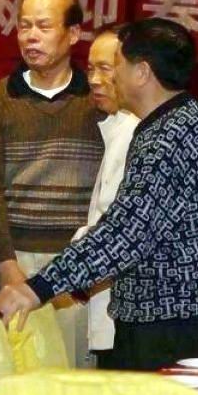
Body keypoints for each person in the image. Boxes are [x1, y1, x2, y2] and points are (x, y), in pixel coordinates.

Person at [0, 17, 198, 371]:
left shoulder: (165, 140)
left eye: (118, 65)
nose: (111, 77)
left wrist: (37, 287)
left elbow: (125, 234)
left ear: (142, 72)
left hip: (157, 328)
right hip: (188, 317)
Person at [0, 0, 104, 366]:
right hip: (15, 258)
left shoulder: (98, 100)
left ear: (73, 34)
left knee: (73, 378)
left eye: (43, 26)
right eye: (24, 26)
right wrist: (6, 266)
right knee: (17, 375)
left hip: (78, 261)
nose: (31, 36)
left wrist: (87, 261)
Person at [74, 28, 140, 368]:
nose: (95, 80)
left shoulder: (136, 133)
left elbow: (113, 229)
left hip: (129, 313)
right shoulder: (118, 126)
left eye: (106, 68)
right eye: (90, 69)